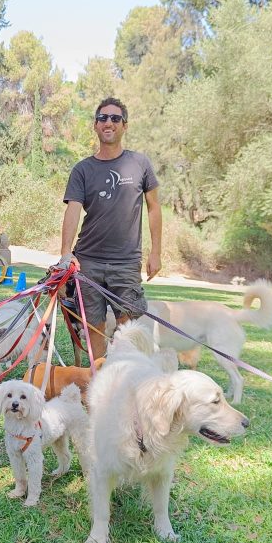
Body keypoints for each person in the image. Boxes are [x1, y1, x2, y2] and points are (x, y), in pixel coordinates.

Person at [59, 98, 161, 360]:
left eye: (115, 118)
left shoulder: (140, 164)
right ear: (95, 125)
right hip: (88, 262)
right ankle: (97, 386)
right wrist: (65, 253)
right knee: (94, 328)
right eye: (103, 118)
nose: (109, 122)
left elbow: (154, 208)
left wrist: (156, 252)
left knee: (129, 330)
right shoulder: (82, 169)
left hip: (126, 263)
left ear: (124, 126)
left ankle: (127, 383)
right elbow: (73, 210)